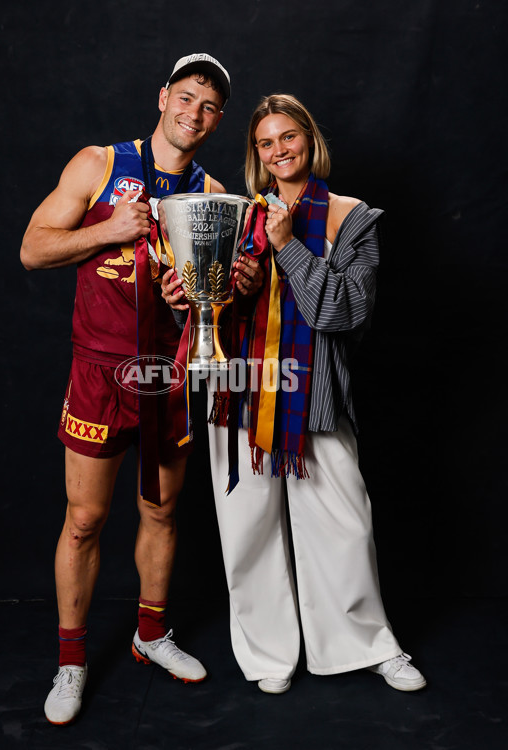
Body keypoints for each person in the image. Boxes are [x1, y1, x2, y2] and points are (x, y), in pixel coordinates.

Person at [163, 93, 427, 696]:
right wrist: (206, 294)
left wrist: (287, 246)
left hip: (318, 396)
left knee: (344, 524)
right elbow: (207, 316)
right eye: (265, 142)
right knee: (247, 528)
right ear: (255, 153)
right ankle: (268, 654)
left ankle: (370, 646)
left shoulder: (350, 217)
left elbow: (341, 310)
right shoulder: (236, 214)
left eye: (288, 137)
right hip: (241, 393)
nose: (278, 150)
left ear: (309, 138)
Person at [20, 53, 234, 726]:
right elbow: (32, 248)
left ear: (216, 120)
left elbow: (213, 306)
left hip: (165, 373)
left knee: (164, 515)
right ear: (164, 95)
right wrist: (110, 229)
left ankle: (150, 635)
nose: (193, 113)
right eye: (187, 97)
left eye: (208, 107)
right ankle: (73, 661)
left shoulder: (212, 193)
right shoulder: (100, 164)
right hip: (98, 369)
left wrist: (194, 301)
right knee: (84, 520)